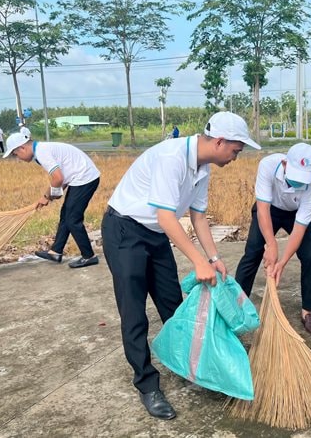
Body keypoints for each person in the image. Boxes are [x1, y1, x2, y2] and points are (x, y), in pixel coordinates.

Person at [101, 111, 260, 420]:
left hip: (156, 233)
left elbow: (198, 217)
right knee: (134, 312)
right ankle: (147, 384)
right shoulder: (172, 156)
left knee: (173, 303)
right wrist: (198, 261)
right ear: (219, 141)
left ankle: (187, 362)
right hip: (124, 230)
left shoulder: (203, 168)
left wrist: (213, 258)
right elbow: (166, 216)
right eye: (235, 151)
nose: (235, 158)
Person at [234, 142, 311, 336]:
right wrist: (271, 244)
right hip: (270, 211)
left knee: (309, 256)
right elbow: (263, 208)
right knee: (253, 253)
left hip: (295, 214)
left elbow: (299, 230)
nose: (298, 183)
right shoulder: (268, 165)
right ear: (284, 164)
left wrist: (281, 262)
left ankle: (308, 310)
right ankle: (237, 306)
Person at [3, 133, 101, 268]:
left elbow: (58, 178)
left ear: (22, 148)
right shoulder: (41, 150)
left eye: (15, 154)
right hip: (79, 178)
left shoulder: (42, 152)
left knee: (73, 219)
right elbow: (62, 176)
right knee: (65, 214)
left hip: (85, 178)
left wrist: (46, 197)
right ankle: (56, 252)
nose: (17, 158)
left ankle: (89, 256)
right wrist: (53, 194)